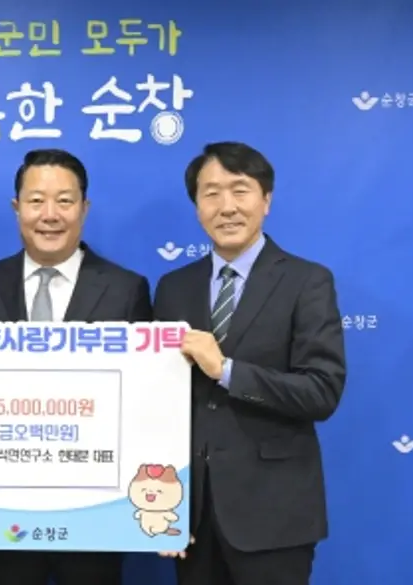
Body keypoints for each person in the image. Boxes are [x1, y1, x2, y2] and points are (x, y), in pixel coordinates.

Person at [153, 142, 347, 585]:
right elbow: (157, 401)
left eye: (240, 190)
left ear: (266, 200)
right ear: (197, 206)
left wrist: (226, 370)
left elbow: (322, 392)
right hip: (192, 516)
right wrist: (162, 507)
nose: (227, 207)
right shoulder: (173, 287)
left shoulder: (307, 281)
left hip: (274, 515)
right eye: (211, 193)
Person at [0, 148, 153, 585]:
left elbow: (145, 398)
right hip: (1, 507)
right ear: (17, 208)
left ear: (84, 208)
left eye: (64, 201)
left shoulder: (127, 289)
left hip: (94, 506)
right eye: (36, 201)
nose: (50, 215)